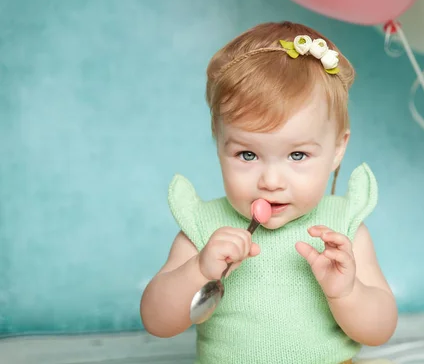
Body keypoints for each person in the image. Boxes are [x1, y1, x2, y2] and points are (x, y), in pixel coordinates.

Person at [140, 21, 397, 364]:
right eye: (248, 155)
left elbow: (380, 330)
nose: (271, 181)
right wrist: (198, 271)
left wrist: (347, 293)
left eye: (297, 155)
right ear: (219, 144)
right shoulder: (203, 229)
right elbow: (157, 322)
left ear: (337, 149)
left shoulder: (342, 230)